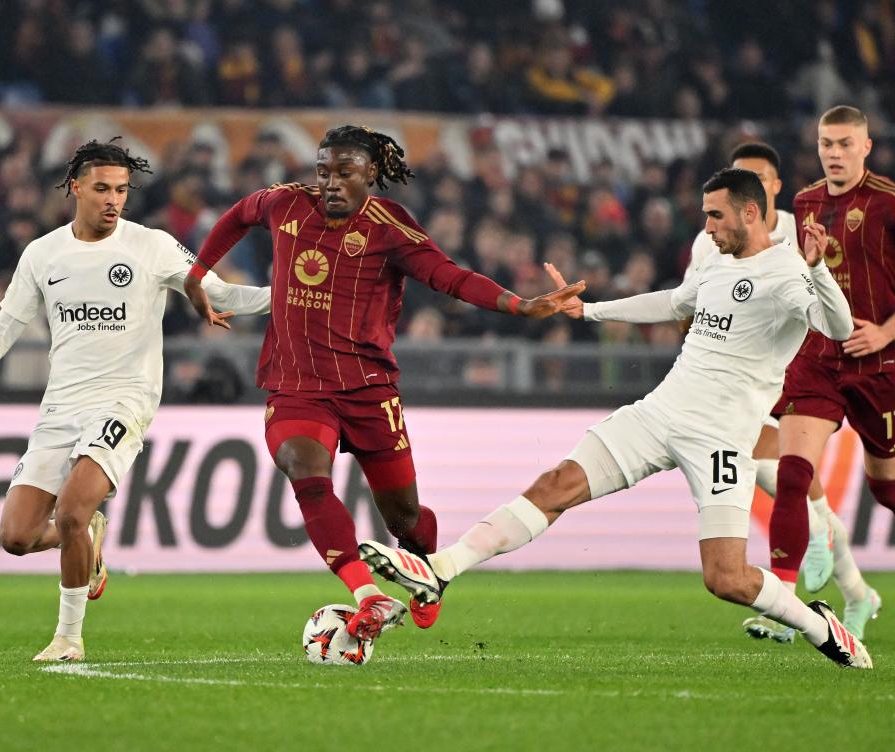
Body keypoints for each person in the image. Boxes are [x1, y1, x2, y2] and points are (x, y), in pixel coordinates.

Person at [361, 168, 874, 670]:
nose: (708, 227)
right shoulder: (716, 262)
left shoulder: (787, 271)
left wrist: (818, 270)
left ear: (750, 213)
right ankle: (441, 569)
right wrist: (589, 311)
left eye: (716, 216)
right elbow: (673, 302)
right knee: (557, 484)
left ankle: (820, 628)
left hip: (721, 439)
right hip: (659, 413)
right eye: (705, 215)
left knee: (727, 578)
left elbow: (837, 326)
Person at [183, 125, 584, 641]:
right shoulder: (285, 204)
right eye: (323, 171)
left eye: (344, 172)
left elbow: (448, 276)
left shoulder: (389, 227)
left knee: (405, 519)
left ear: (370, 173)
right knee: (305, 472)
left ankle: (427, 573)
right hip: (297, 385)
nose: (330, 182)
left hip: (368, 390)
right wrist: (197, 272)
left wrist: (519, 304)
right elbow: (240, 213)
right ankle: (367, 595)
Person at [0, 139, 270, 662]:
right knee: (17, 537)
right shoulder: (42, 254)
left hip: (125, 399)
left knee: (70, 508)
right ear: (75, 189)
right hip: (61, 406)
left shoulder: (152, 246)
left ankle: (68, 637)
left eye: (122, 190)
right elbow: (3, 328)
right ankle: (87, 533)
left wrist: (290, 296)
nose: (114, 200)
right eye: (103, 189)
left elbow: (220, 293)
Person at [684, 142, 872, 644]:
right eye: (740, 176)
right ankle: (853, 589)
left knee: (792, 479)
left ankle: (826, 579)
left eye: (760, 178)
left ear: (774, 187)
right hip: (738, 379)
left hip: (798, 372)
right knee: (786, 482)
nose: (751, 186)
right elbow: (692, 303)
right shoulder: (709, 241)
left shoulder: (798, 229)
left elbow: (832, 301)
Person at [770, 105, 893, 641]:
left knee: (886, 490)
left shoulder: (888, 202)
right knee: (792, 474)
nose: (834, 153)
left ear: (866, 147)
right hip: (818, 357)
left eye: (845, 144)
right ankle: (780, 604)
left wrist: (885, 333)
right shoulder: (805, 203)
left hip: (879, 363)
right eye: (826, 144)